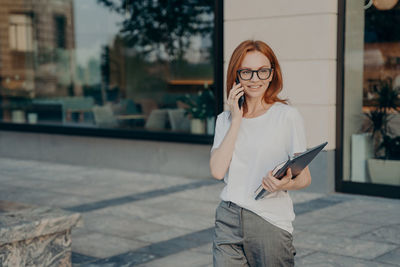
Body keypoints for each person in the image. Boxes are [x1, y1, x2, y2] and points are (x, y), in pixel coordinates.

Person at [210, 40, 312, 267]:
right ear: (236, 76)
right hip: (228, 218)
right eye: (247, 72)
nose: (255, 79)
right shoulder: (224, 120)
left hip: (269, 220)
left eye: (262, 71)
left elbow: (304, 178)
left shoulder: (287, 116)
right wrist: (236, 119)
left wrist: (282, 184)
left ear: (272, 74)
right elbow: (217, 171)